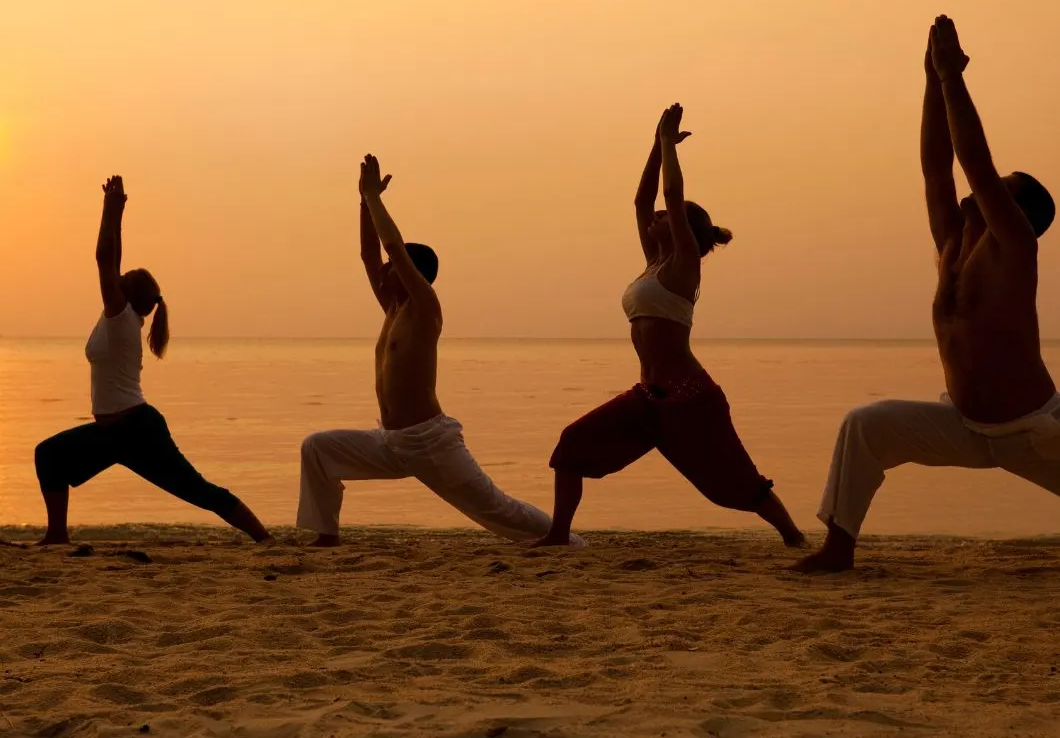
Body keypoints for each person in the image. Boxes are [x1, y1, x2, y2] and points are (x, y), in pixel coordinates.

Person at [795, 16, 1059, 573]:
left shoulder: (1014, 246)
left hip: (1038, 432)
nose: (974, 195)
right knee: (865, 425)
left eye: (999, 194)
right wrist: (929, 83)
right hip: (966, 426)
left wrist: (951, 77)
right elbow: (936, 169)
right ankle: (838, 550)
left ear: (1016, 214)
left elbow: (975, 166)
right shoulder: (952, 247)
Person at [532, 104, 804, 547]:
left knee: (733, 484)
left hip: (691, 400)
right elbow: (642, 200)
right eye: (656, 216)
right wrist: (655, 146)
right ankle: (559, 534)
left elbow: (672, 198)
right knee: (572, 446)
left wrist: (669, 148)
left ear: (684, 231)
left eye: (666, 217)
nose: (656, 215)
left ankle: (792, 535)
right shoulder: (651, 263)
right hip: (646, 399)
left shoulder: (683, 265)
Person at [297, 154, 578, 547]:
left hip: (429, 442)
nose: (382, 270)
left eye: (392, 266)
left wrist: (376, 199)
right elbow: (369, 254)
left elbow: (391, 247)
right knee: (318, 448)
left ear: (411, 273)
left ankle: (566, 540)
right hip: (391, 442)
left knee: (497, 509)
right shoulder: (392, 309)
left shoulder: (425, 309)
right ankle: (327, 536)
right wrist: (362, 200)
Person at [33, 176, 271, 545]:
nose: (116, 276)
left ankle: (264, 538)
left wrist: (107, 209)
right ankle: (56, 536)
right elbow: (114, 259)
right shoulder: (121, 318)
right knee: (49, 456)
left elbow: (103, 258)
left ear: (126, 294)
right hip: (114, 433)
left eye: (121, 279)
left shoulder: (120, 318)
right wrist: (120, 213)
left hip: (137, 431)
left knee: (197, 490)